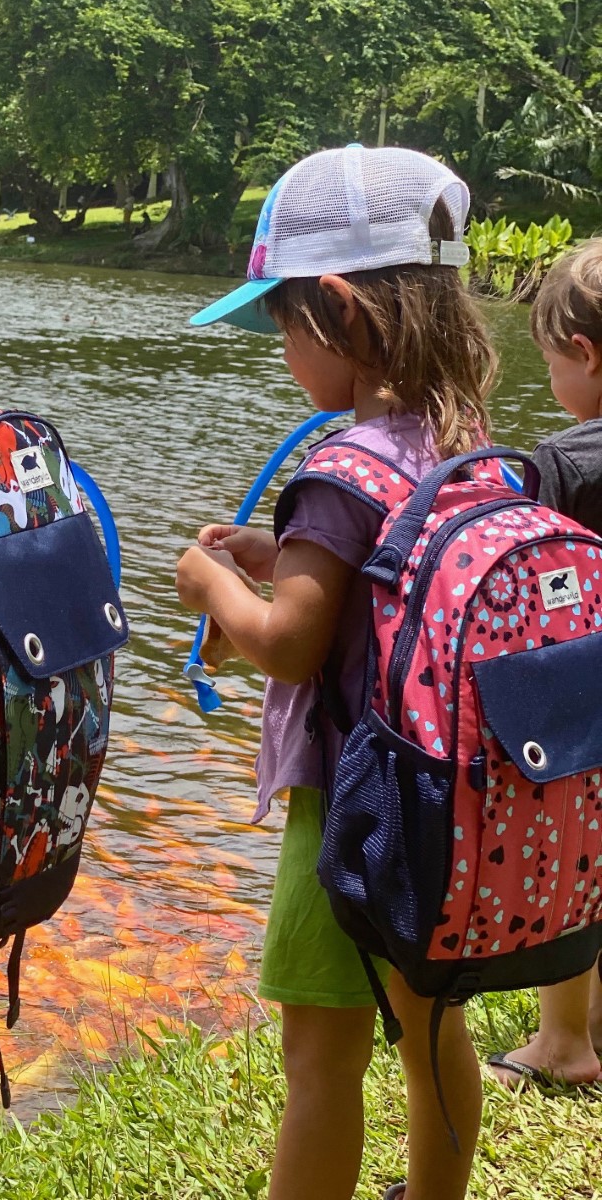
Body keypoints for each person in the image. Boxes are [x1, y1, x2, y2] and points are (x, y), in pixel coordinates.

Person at [177, 145, 497, 1200]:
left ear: (336, 309)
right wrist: (286, 566)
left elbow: (284, 644)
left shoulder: (337, 470)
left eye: (279, 320)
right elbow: (389, 584)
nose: (278, 347)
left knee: (319, 1058)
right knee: (426, 1025)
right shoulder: (462, 443)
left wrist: (212, 584)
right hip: (449, 791)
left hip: (350, 811)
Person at [485, 237, 602, 1090]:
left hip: (584, 701)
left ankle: (565, 1042)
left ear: (585, 355)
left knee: (582, 860)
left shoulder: (560, 464)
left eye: (549, 362)